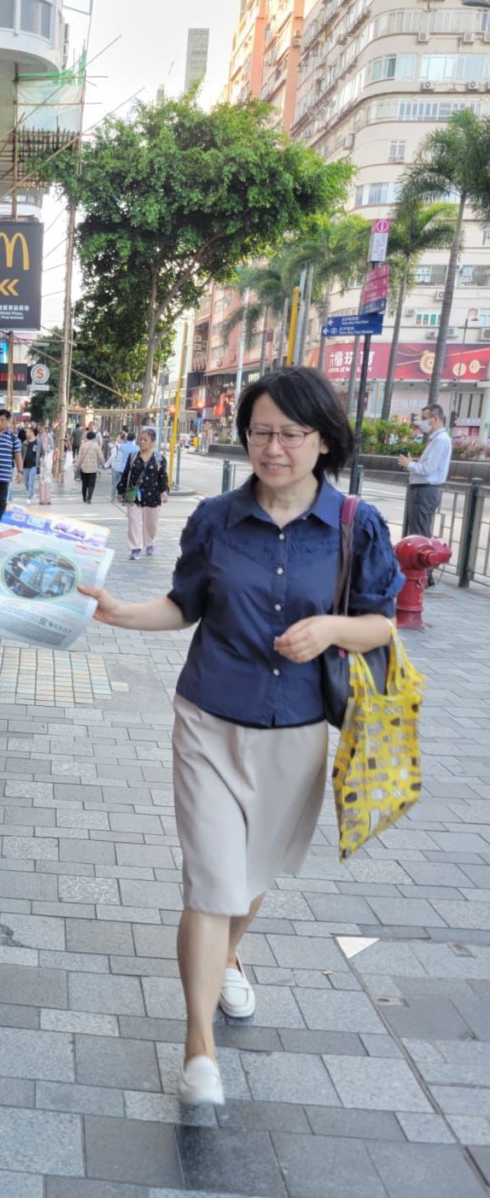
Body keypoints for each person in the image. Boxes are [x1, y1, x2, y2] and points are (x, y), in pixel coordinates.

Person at [80, 367, 403, 1106]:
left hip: (297, 732)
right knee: (213, 881)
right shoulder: (216, 519)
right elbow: (182, 604)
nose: (275, 447)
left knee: (254, 877)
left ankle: (226, 958)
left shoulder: (355, 524)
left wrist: (330, 630)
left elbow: (382, 620)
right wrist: (120, 614)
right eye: (262, 431)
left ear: (323, 440)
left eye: (292, 433)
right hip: (209, 721)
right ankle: (199, 1048)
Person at [398, 402, 451, 568]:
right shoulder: (436, 439)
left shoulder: (441, 440)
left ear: (435, 419)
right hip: (422, 489)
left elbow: (428, 469)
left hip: (426, 490)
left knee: (420, 533)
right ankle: (419, 570)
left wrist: (409, 465)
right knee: (418, 530)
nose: (421, 422)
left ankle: (422, 572)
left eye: (424, 419)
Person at [118, 427, 169, 560]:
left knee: (151, 524)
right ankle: (135, 548)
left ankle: (149, 542)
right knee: (133, 521)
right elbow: (126, 474)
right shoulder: (133, 456)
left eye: (145, 440)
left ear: (153, 442)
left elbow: (163, 476)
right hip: (134, 494)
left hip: (153, 496)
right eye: (140, 439)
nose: (142, 442)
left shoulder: (159, 458)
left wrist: (164, 491)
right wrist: (121, 491)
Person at [75, 428, 105, 504]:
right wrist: (104, 464)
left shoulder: (83, 446)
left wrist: (76, 465)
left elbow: (79, 457)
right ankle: (89, 498)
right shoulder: (96, 446)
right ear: (94, 437)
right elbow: (101, 456)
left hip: (84, 468)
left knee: (84, 483)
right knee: (91, 484)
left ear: (87, 437)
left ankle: (84, 497)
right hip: (93, 469)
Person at [109, 430, 139, 503]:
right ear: (134, 439)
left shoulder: (121, 446)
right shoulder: (136, 448)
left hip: (118, 467)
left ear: (127, 438)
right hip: (128, 468)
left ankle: (113, 497)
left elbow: (117, 456)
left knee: (114, 483)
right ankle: (122, 496)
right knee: (125, 483)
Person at [21, 426, 39, 502]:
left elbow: (42, 453)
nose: (26, 433)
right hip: (25, 466)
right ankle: (32, 493)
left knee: (31, 482)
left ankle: (29, 497)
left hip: (33, 465)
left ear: (31, 432)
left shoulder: (38, 442)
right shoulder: (24, 443)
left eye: (27, 432)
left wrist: (41, 461)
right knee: (26, 482)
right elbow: (21, 454)